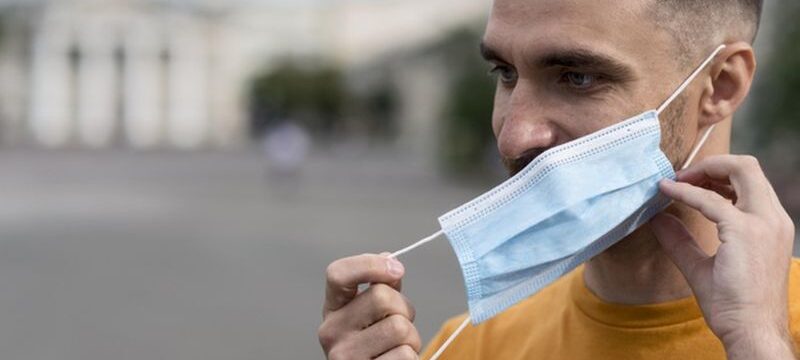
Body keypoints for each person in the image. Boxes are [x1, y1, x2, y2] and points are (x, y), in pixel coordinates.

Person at [318, 0, 798, 359]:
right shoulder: (472, 346)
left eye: (577, 77)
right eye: (504, 73)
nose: (512, 136)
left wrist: (758, 344)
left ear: (720, 85)